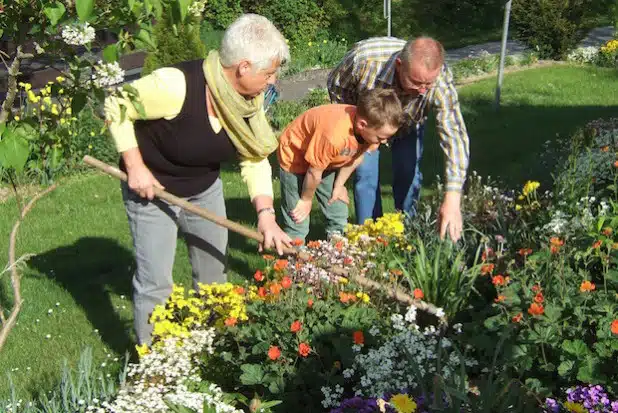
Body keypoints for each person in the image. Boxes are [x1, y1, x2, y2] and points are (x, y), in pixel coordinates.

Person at [104, 14, 292, 345]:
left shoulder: (248, 102)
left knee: (213, 276)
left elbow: (255, 156)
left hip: (204, 189)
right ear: (243, 67)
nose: (273, 81)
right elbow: (117, 103)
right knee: (156, 283)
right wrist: (135, 166)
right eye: (269, 73)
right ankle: (155, 368)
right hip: (154, 192)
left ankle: (214, 347)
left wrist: (266, 215)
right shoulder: (176, 85)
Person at [327, 36, 470, 242]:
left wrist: (453, 198)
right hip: (368, 124)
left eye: (427, 84)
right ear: (399, 65)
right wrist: (356, 125)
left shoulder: (439, 80)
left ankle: (407, 235)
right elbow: (337, 84)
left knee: (408, 173)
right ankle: (370, 238)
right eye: (416, 82)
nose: (422, 90)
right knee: (365, 175)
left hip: (409, 122)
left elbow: (455, 135)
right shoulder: (365, 61)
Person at [277, 89, 403, 242]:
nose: (383, 142)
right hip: (295, 158)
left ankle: (337, 250)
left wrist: (339, 185)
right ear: (362, 125)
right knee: (298, 217)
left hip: (325, 161)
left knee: (338, 209)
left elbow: (355, 158)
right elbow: (313, 173)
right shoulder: (334, 135)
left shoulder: (370, 135)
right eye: (381, 137)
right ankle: (293, 254)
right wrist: (306, 200)